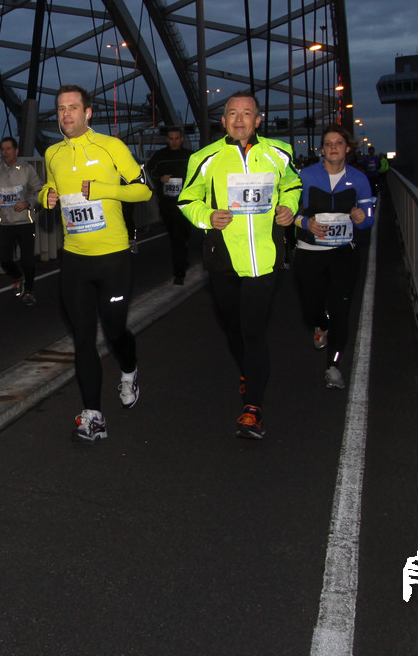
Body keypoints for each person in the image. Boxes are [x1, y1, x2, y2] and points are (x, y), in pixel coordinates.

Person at [176, 92, 300, 440]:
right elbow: (186, 199)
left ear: (258, 120)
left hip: (264, 258)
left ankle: (253, 408)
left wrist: (289, 207)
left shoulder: (279, 152)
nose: (240, 119)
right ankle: (247, 370)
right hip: (224, 258)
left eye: (247, 113)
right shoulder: (205, 158)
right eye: (233, 113)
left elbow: (292, 184)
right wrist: (207, 216)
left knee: (253, 332)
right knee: (233, 329)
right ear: (224, 121)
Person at [39, 84, 153, 442]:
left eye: (73, 107)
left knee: (115, 331)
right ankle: (93, 415)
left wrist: (105, 190)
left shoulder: (111, 147)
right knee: (84, 338)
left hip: (112, 257)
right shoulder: (52, 153)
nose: (66, 114)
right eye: (61, 108)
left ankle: (129, 369)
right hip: (75, 259)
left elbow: (143, 189)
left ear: (88, 113)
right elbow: (49, 187)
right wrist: (46, 196)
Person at [292, 126, 375, 389]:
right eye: (328, 143)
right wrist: (306, 223)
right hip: (310, 253)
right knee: (311, 310)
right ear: (322, 149)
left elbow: (368, 217)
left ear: (347, 148)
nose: (333, 148)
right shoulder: (306, 176)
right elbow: (288, 211)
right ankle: (320, 324)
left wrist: (361, 218)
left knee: (341, 310)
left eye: (338, 143)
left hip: (344, 254)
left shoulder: (359, 179)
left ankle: (333, 367)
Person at [0, 136, 44, 305]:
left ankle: (29, 291)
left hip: (25, 222)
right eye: (3, 149)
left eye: (9, 149)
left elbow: (40, 192)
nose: (5, 152)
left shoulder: (27, 169)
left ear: (16, 151)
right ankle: (18, 276)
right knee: (5, 260)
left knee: (27, 260)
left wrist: (28, 203)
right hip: (6, 222)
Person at [145, 126, 195, 283]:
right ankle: (179, 270)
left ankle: (181, 265)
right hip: (168, 204)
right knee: (176, 237)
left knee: (183, 235)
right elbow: (147, 175)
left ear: (182, 139)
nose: (174, 142)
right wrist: (160, 179)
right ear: (167, 140)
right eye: (171, 139)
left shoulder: (190, 156)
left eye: (177, 138)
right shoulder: (159, 157)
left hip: (187, 204)